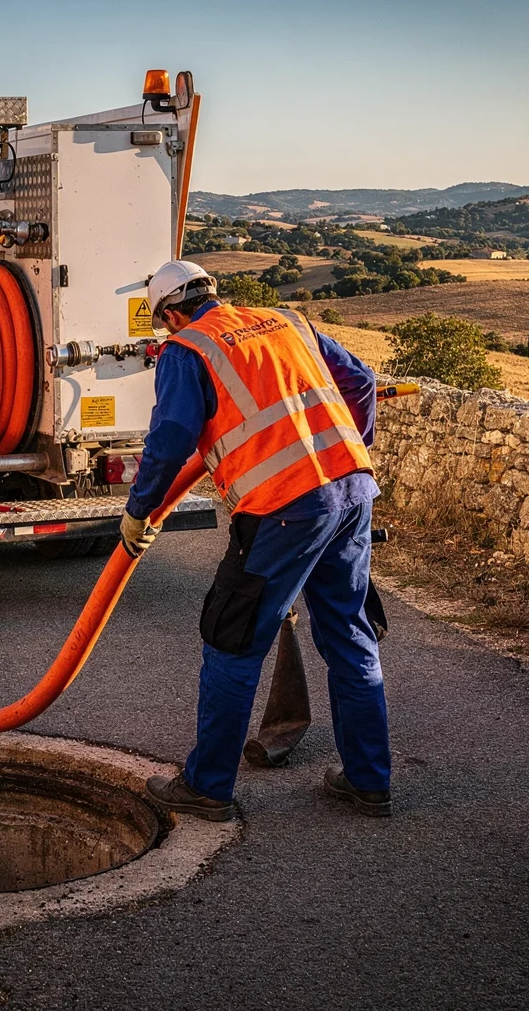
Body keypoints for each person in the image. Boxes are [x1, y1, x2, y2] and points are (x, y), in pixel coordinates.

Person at [120, 260, 393, 822]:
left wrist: (140, 510)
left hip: (282, 508)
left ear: (170, 313)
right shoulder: (286, 319)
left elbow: (171, 437)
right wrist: (350, 452)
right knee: (348, 632)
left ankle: (208, 785)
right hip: (352, 490)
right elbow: (362, 381)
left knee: (233, 640)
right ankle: (369, 782)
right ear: (212, 293)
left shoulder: (187, 349)